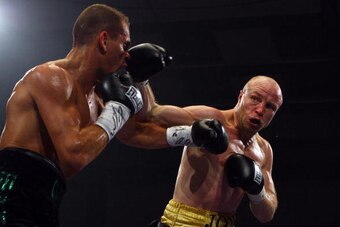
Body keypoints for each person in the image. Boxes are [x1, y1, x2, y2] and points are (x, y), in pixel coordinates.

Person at [0, 4, 145, 226]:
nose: (128, 55)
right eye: (125, 45)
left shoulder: (98, 101)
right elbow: (75, 154)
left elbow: (145, 126)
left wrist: (190, 133)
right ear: (104, 40)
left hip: (46, 201)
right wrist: (119, 109)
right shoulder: (50, 77)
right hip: (9, 196)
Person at [117, 49, 283, 226]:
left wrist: (256, 190)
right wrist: (142, 80)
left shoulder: (264, 150)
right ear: (241, 96)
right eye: (255, 99)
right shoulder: (209, 118)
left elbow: (267, 214)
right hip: (181, 222)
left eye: (270, 106)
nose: (260, 109)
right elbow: (152, 113)